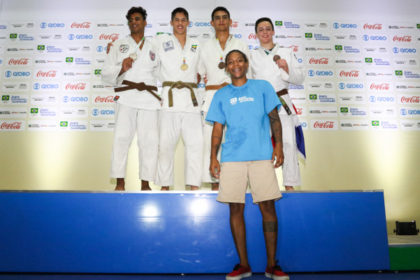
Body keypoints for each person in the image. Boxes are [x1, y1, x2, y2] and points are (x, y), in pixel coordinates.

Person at [206, 49, 289, 280]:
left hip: (262, 156)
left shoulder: (262, 87)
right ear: (226, 66)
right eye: (231, 62)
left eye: (239, 60)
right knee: (235, 209)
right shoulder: (221, 95)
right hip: (232, 158)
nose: (236, 65)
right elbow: (217, 129)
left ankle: (272, 265)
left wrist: (279, 146)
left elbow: (275, 118)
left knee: (268, 208)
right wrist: (213, 156)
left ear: (246, 63)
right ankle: (244, 265)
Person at [101, 6, 159, 191]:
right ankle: (120, 182)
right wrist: (121, 67)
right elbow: (105, 73)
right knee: (121, 138)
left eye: (137, 19)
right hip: (126, 96)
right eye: (131, 20)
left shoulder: (154, 45)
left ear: (145, 23)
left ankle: (145, 182)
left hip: (149, 98)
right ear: (128, 23)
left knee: (148, 141)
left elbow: (162, 72)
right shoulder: (118, 45)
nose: (134, 22)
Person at [198, 6, 250, 191]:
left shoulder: (241, 45)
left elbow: (247, 73)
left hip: (236, 95)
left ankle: (236, 183)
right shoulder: (204, 46)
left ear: (230, 21)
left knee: (236, 138)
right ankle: (214, 183)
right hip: (212, 95)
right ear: (212, 23)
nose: (221, 21)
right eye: (217, 18)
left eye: (224, 17)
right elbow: (198, 74)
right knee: (210, 140)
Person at [250, 17, 305, 191]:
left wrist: (287, 68)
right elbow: (249, 82)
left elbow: (299, 78)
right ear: (256, 34)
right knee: (263, 144)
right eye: (261, 29)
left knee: (288, 143)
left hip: (282, 101)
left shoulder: (287, 52)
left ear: (273, 31)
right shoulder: (251, 56)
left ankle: (290, 184)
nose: (265, 32)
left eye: (268, 28)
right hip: (261, 104)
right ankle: (265, 186)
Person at [154, 7, 203, 191]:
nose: (180, 23)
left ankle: (194, 186)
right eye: (177, 20)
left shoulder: (196, 44)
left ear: (188, 22)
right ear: (171, 22)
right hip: (170, 99)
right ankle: (165, 186)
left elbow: (203, 66)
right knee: (165, 145)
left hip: (191, 102)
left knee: (195, 145)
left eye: (183, 20)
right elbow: (146, 55)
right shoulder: (161, 41)